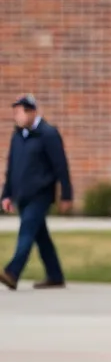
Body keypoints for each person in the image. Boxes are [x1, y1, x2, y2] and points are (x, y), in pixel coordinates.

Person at [1, 95, 72, 290]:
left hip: (40, 194)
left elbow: (60, 166)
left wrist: (66, 194)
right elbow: (11, 167)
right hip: (22, 195)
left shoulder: (48, 134)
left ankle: (12, 272)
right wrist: (6, 195)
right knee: (41, 236)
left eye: (19, 112)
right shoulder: (18, 136)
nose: (16, 116)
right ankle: (55, 275)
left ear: (32, 111)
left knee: (26, 232)